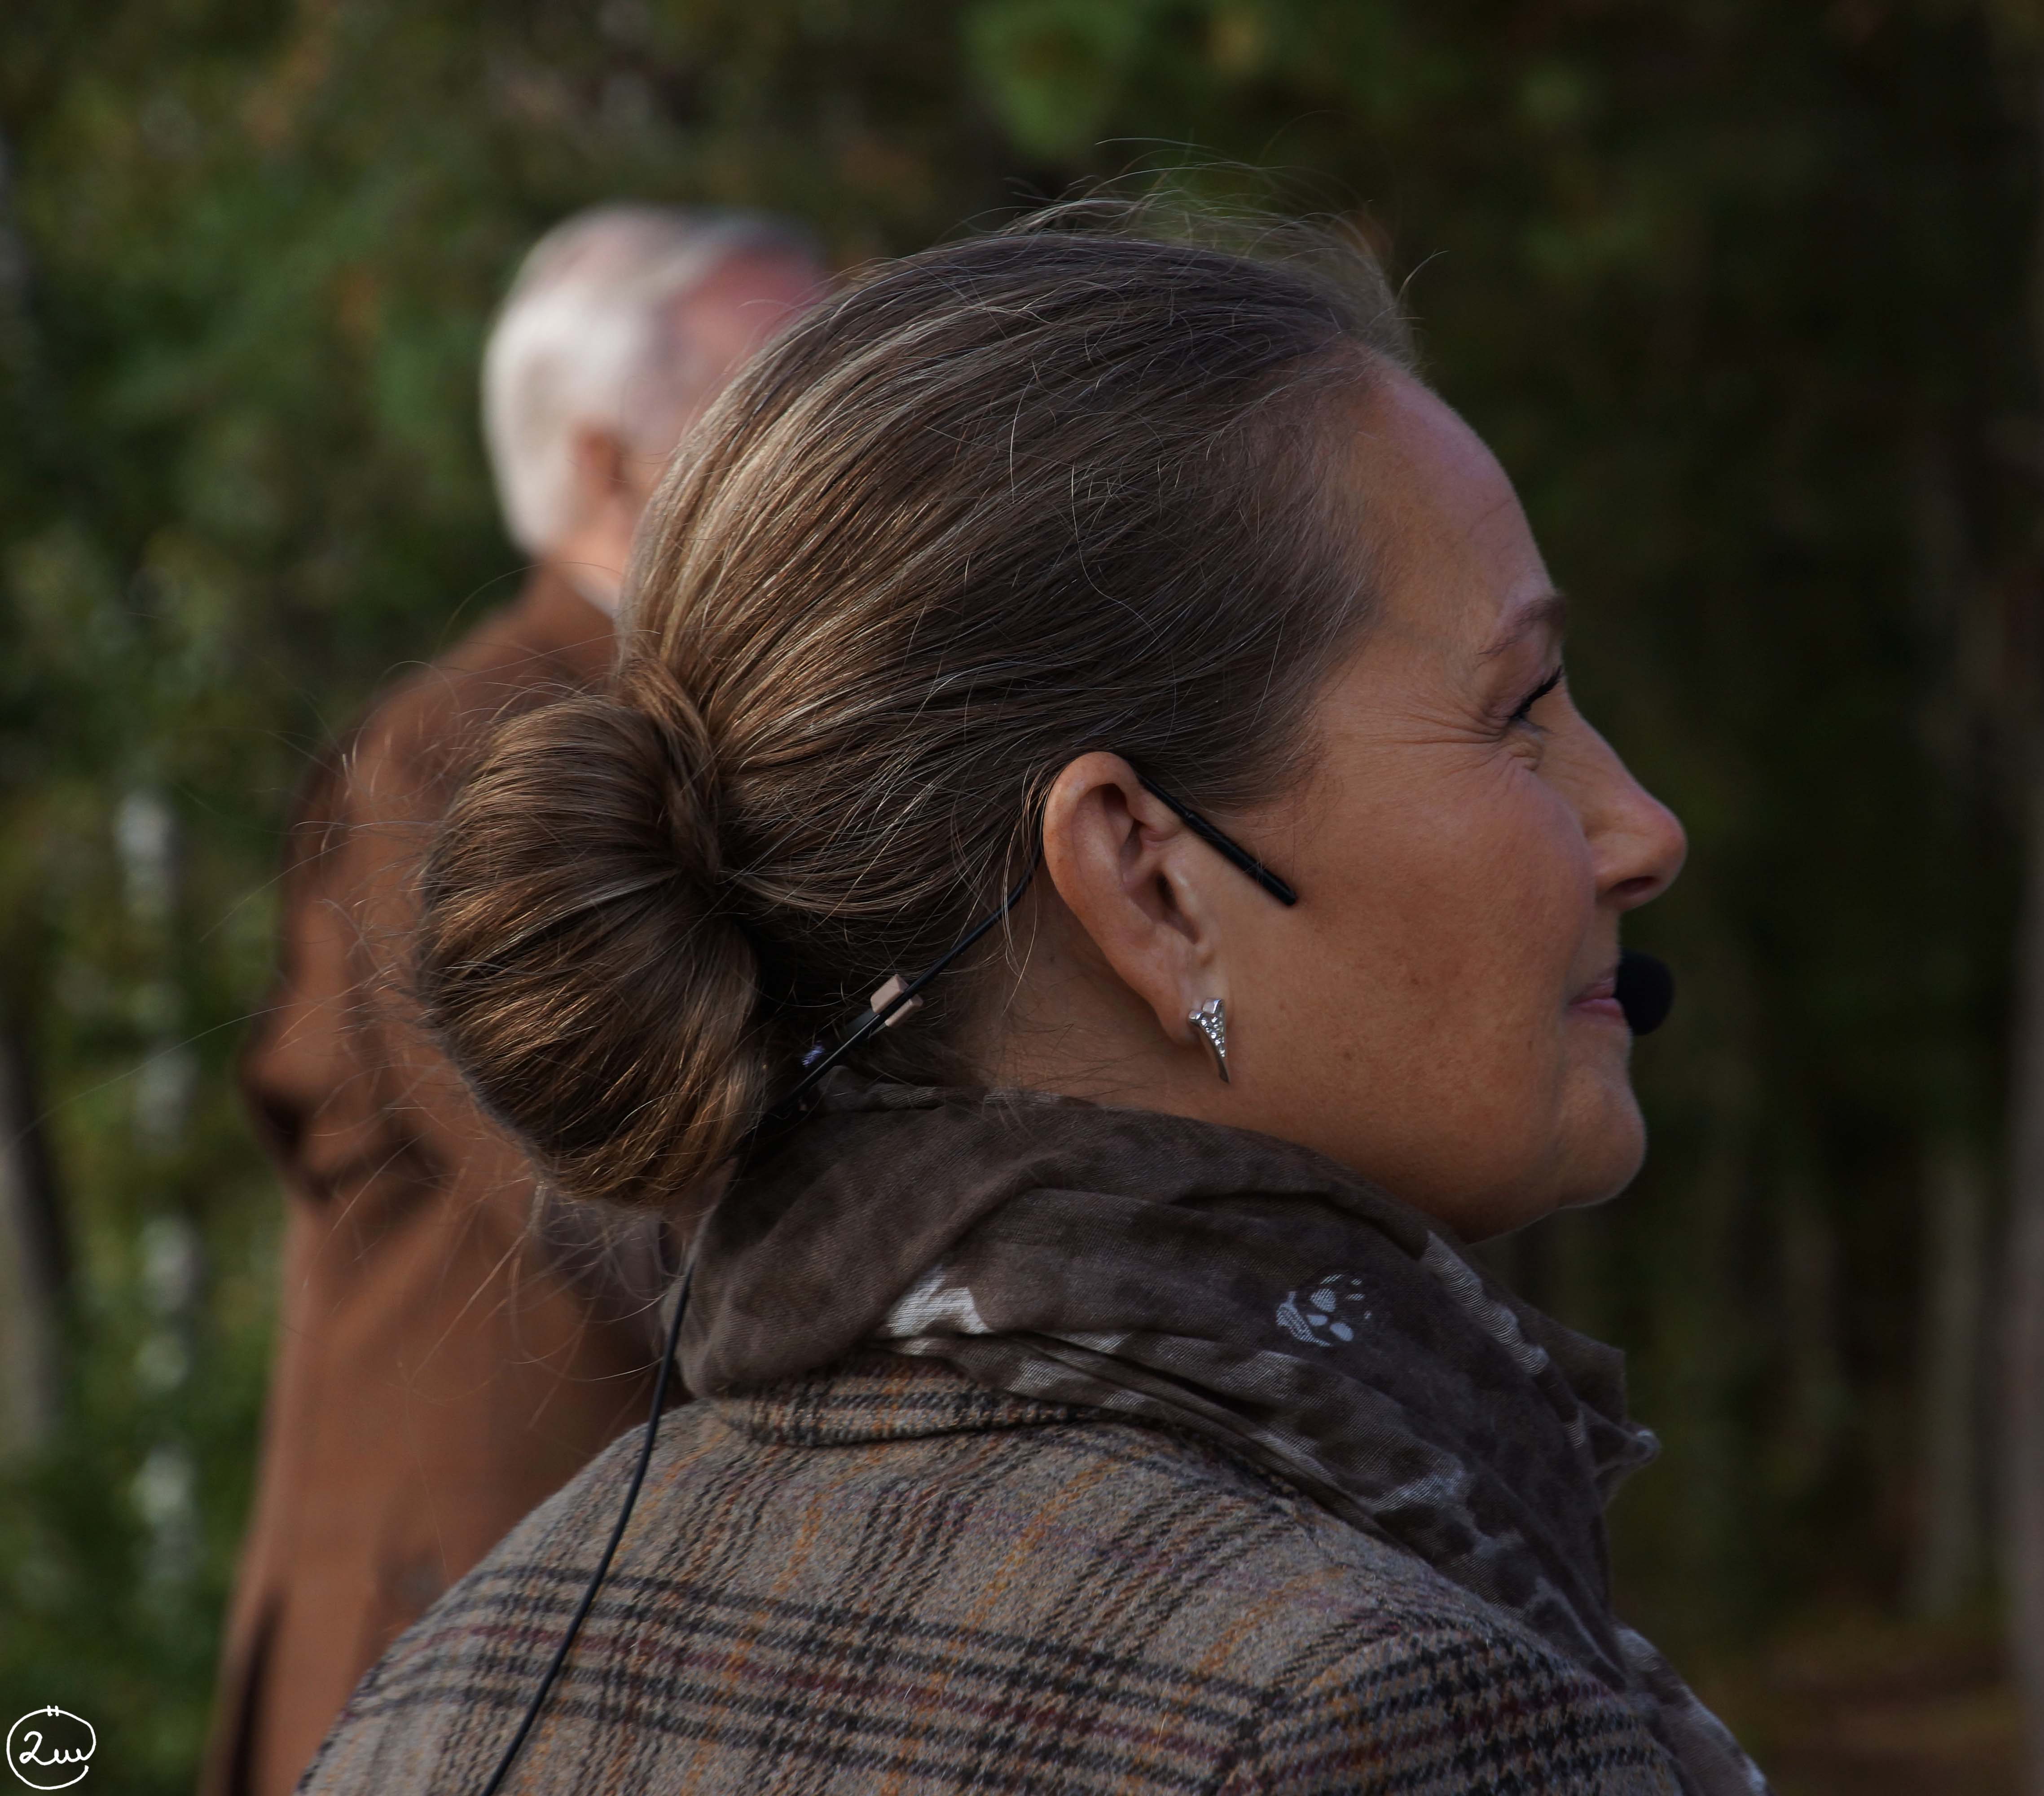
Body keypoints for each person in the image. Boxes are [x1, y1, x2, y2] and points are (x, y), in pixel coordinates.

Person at [300, 207, 1766, 1795]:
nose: (1643, 832)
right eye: (1518, 710)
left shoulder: (438, 1699)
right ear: (1150, 885)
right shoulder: (1376, 1715)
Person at [205, 205, 826, 1796]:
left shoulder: (728, 724)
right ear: (613, 465)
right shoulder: (471, 747)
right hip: (475, 1656)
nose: (847, 442)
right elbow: (610, 1181)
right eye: (786, 395)